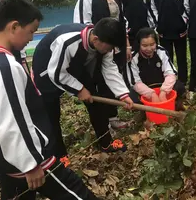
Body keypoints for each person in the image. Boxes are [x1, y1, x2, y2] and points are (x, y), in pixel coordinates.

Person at [0, 0, 99, 200]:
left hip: (8, 160)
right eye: (31, 31)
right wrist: (31, 163)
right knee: (77, 194)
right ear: (14, 26)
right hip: (32, 158)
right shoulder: (6, 66)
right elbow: (13, 120)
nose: (30, 38)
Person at [32, 18, 134, 159]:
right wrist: (79, 89)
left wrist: (123, 94)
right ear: (96, 39)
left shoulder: (105, 43)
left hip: (77, 66)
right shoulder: (67, 42)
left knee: (96, 104)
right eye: (109, 48)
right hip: (47, 69)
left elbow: (109, 68)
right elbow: (56, 73)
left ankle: (106, 143)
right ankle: (60, 157)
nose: (110, 51)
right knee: (51, 115)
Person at [150, 0, 189, 85]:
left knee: (182, 57)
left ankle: (182, 82)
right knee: (167, 58)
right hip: (163, 31)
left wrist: (184, 22)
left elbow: (186, 6)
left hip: (180, 31)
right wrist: (157, 23)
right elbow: (153, 7)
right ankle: (169, 82)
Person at [128, 27, 185, 106]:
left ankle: (174, 104)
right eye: (144, 45)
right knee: (131, 95)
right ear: (139, 44)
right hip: (145, 88)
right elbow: (135, 82)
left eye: (152, 44)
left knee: (180, 86)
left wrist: (164, 91)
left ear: (156, 42)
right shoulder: (133, 57)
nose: (149, 49)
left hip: (162, 86)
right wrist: (151, 94)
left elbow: (171, 73)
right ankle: (144, 110)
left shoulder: (161, 51)